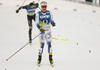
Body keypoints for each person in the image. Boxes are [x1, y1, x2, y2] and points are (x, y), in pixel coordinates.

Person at [35, 1, 56, 67]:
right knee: (42, 45)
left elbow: (52, 20)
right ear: (41, 7)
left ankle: (51, 59)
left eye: (45, 7)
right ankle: (39, 59)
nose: (44, 8)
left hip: (48, 32)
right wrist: (40, 29)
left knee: (49, 45)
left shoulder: (49, 13)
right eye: (43, 7)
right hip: (42, 32)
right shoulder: (38, 14)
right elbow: (37, 23)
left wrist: (53, 23)